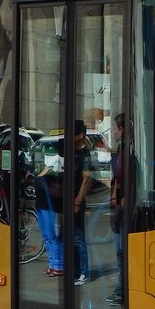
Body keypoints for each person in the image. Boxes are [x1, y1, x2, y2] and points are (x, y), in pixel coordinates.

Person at [71, 119, 92, 286]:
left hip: (77, 199)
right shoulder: (70, 152)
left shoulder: (85, 154)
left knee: (78, 237)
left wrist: (78, 199)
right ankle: (75, 269)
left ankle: (84, 272)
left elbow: (86, 180)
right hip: (67, 198)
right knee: (71, 237)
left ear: (80, 135)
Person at [107, 112, 125, 305]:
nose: (114, 131)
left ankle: (122, 290)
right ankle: (121, 289)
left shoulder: (129, 150)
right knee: (120, 252)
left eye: (115, 128)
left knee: (122, 252)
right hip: (118, 207)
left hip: (123, 208)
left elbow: (125, 177)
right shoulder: (120, 149)